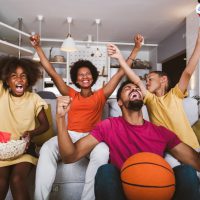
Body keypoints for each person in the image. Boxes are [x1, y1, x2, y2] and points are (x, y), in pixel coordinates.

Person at [30, 33, 143, 200]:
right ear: (76, 78)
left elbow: (120, 73)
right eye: (81, 75)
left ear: (93, 76)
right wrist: (37, 47)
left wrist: (136, 49)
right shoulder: (70, 93)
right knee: (47, 148)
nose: (85, 77)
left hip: (93, 137)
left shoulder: (101, 95)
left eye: (88, 74)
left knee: (103, 152)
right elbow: (52, 72)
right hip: (70, 136)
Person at [56, 80, 200, 200]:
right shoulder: (109, 125)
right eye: (128, 88)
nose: (134, 89)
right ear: (119, 102)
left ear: (143, 99)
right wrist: (61, 118)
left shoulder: (161, 132)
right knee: (106, 171)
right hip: (125, 190)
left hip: (158, 190)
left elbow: (195, 160)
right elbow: (70, 156)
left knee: (187, 171)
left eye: (137, 88)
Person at [108, 28, 200, 169]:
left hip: (191, 147)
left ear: (163, 80)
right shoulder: (149, 99)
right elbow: (135, 79)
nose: (146, 82)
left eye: (150, 78)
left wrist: (199, 43)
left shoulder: (175, 94)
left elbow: (188, 72)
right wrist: (120, 58)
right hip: (169, 151)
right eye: (146, 79)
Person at [0, 56, 49, 200]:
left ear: (29, 80)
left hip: (25, 149)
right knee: (1, 181)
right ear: (6, 81)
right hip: (2, 150)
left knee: (17, 180)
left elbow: (45, 125)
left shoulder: (34, 99)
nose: (19, 79)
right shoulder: (2, 94)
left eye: (23, 76)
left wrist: (31, 133)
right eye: (13, 76)